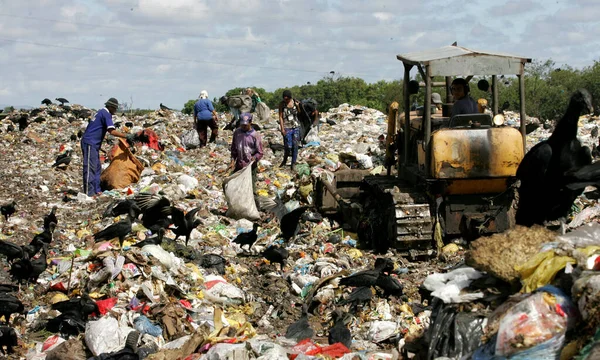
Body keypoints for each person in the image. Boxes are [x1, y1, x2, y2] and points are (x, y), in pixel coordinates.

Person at [80, 98, 133, 196]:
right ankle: (89, 192)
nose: (115, 111)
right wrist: (127, 136)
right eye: (115, 108)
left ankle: (97, 190)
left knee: (97, 168)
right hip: (90, 143)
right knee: (90, 168)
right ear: (111, 107)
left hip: (93, 143)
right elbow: (111, 131)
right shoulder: (105, 114)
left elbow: (95, 129)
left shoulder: (100, 112)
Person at [229, 113, 263, 191]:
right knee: (236, 187)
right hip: (239, 165)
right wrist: (232, 161)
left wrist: (254, 158)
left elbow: (260, 152)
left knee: (251, 189)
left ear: (250, 122)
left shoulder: (255, 135)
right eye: (242, 125)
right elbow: (234, 149)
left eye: (246, 125)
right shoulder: (237, 133)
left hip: (250, 167)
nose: (244, 127)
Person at [278, 90, 302, 169]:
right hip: (286, 127)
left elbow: (299, 113)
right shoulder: (282, 104)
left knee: (295, 145)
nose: (286, 100)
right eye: (285, 99)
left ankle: (293, 163)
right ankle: (285, 160)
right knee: (288, 146)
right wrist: (282, 128)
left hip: (296, 126)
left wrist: (298, 106)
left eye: (287, 99)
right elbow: (281, 117)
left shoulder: (295, 102)